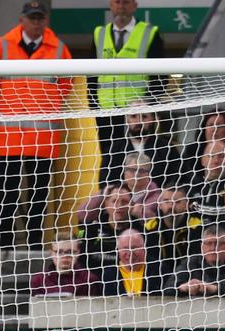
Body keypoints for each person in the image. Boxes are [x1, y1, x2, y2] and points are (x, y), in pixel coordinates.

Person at [0, 1, 72, 248]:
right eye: (32, 17)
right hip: (9, 135)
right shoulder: (0, 46)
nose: (36, 22)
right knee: (7, 193)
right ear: (22, 19)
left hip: (41, 138)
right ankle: (5, 243)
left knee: (38, 196)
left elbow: (66, 84)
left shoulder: (59, 49)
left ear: (46, 20)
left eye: (40, 17)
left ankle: (33, 244)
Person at [90, 0, 165, 157]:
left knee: (138, 158)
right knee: (109, 158)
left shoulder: (149, 33)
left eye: (126, 2)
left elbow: (160, 77)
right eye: (117, 2)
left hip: (137, 114)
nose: (121, 6)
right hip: (106, 113)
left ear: (135, 5)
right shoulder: (99, 34)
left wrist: (148, 108)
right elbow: (91, 76)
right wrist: (94, 106)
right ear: (111, 5)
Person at [100, 100, 182, 188]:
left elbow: (176, 180)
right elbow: (105, 185)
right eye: (133, 116)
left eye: (144, 116)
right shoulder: (113, 150)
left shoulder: (167, 148)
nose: (139, 121)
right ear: (127, 119)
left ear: (153, 119)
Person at [164, 224, 225, 296]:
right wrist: (184, 287)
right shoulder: (191, 263)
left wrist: (215, 288)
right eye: (208, 243)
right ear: (202, 247)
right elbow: (168, 287)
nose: (213, 248)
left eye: (219, 243)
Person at [77, 184, 137, 272]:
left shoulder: (139, 230)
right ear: (106, 204)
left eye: (124, 201)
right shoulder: (92, 228)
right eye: (114, 201)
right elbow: (80, 261)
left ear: (132, 205)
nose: (119, 206)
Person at [30, 231, 99, 296]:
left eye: (70, 252)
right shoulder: (38, 281)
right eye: (59, 252)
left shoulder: (89, 280)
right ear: (51, 253)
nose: (65, 256)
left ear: (78, 253)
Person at [102, 228, 165, 296]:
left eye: (134, 248)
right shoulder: (109, 275)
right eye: (125, 248)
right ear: (118, 251)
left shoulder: (160, 270)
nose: (130, 253)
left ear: (144, 249)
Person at [188, 139, 225, 219]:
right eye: (211, 156)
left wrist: (194, 207)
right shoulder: (191, 184)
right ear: (202, 160)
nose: (216, 161)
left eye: (221, 156)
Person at [121, 153, 161, 220]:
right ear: (125, 172)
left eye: (141, 171)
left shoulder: (157, 198)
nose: (136, 174)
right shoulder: (115, 192)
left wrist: (142, 212)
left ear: (148, 174)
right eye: (132, 170)